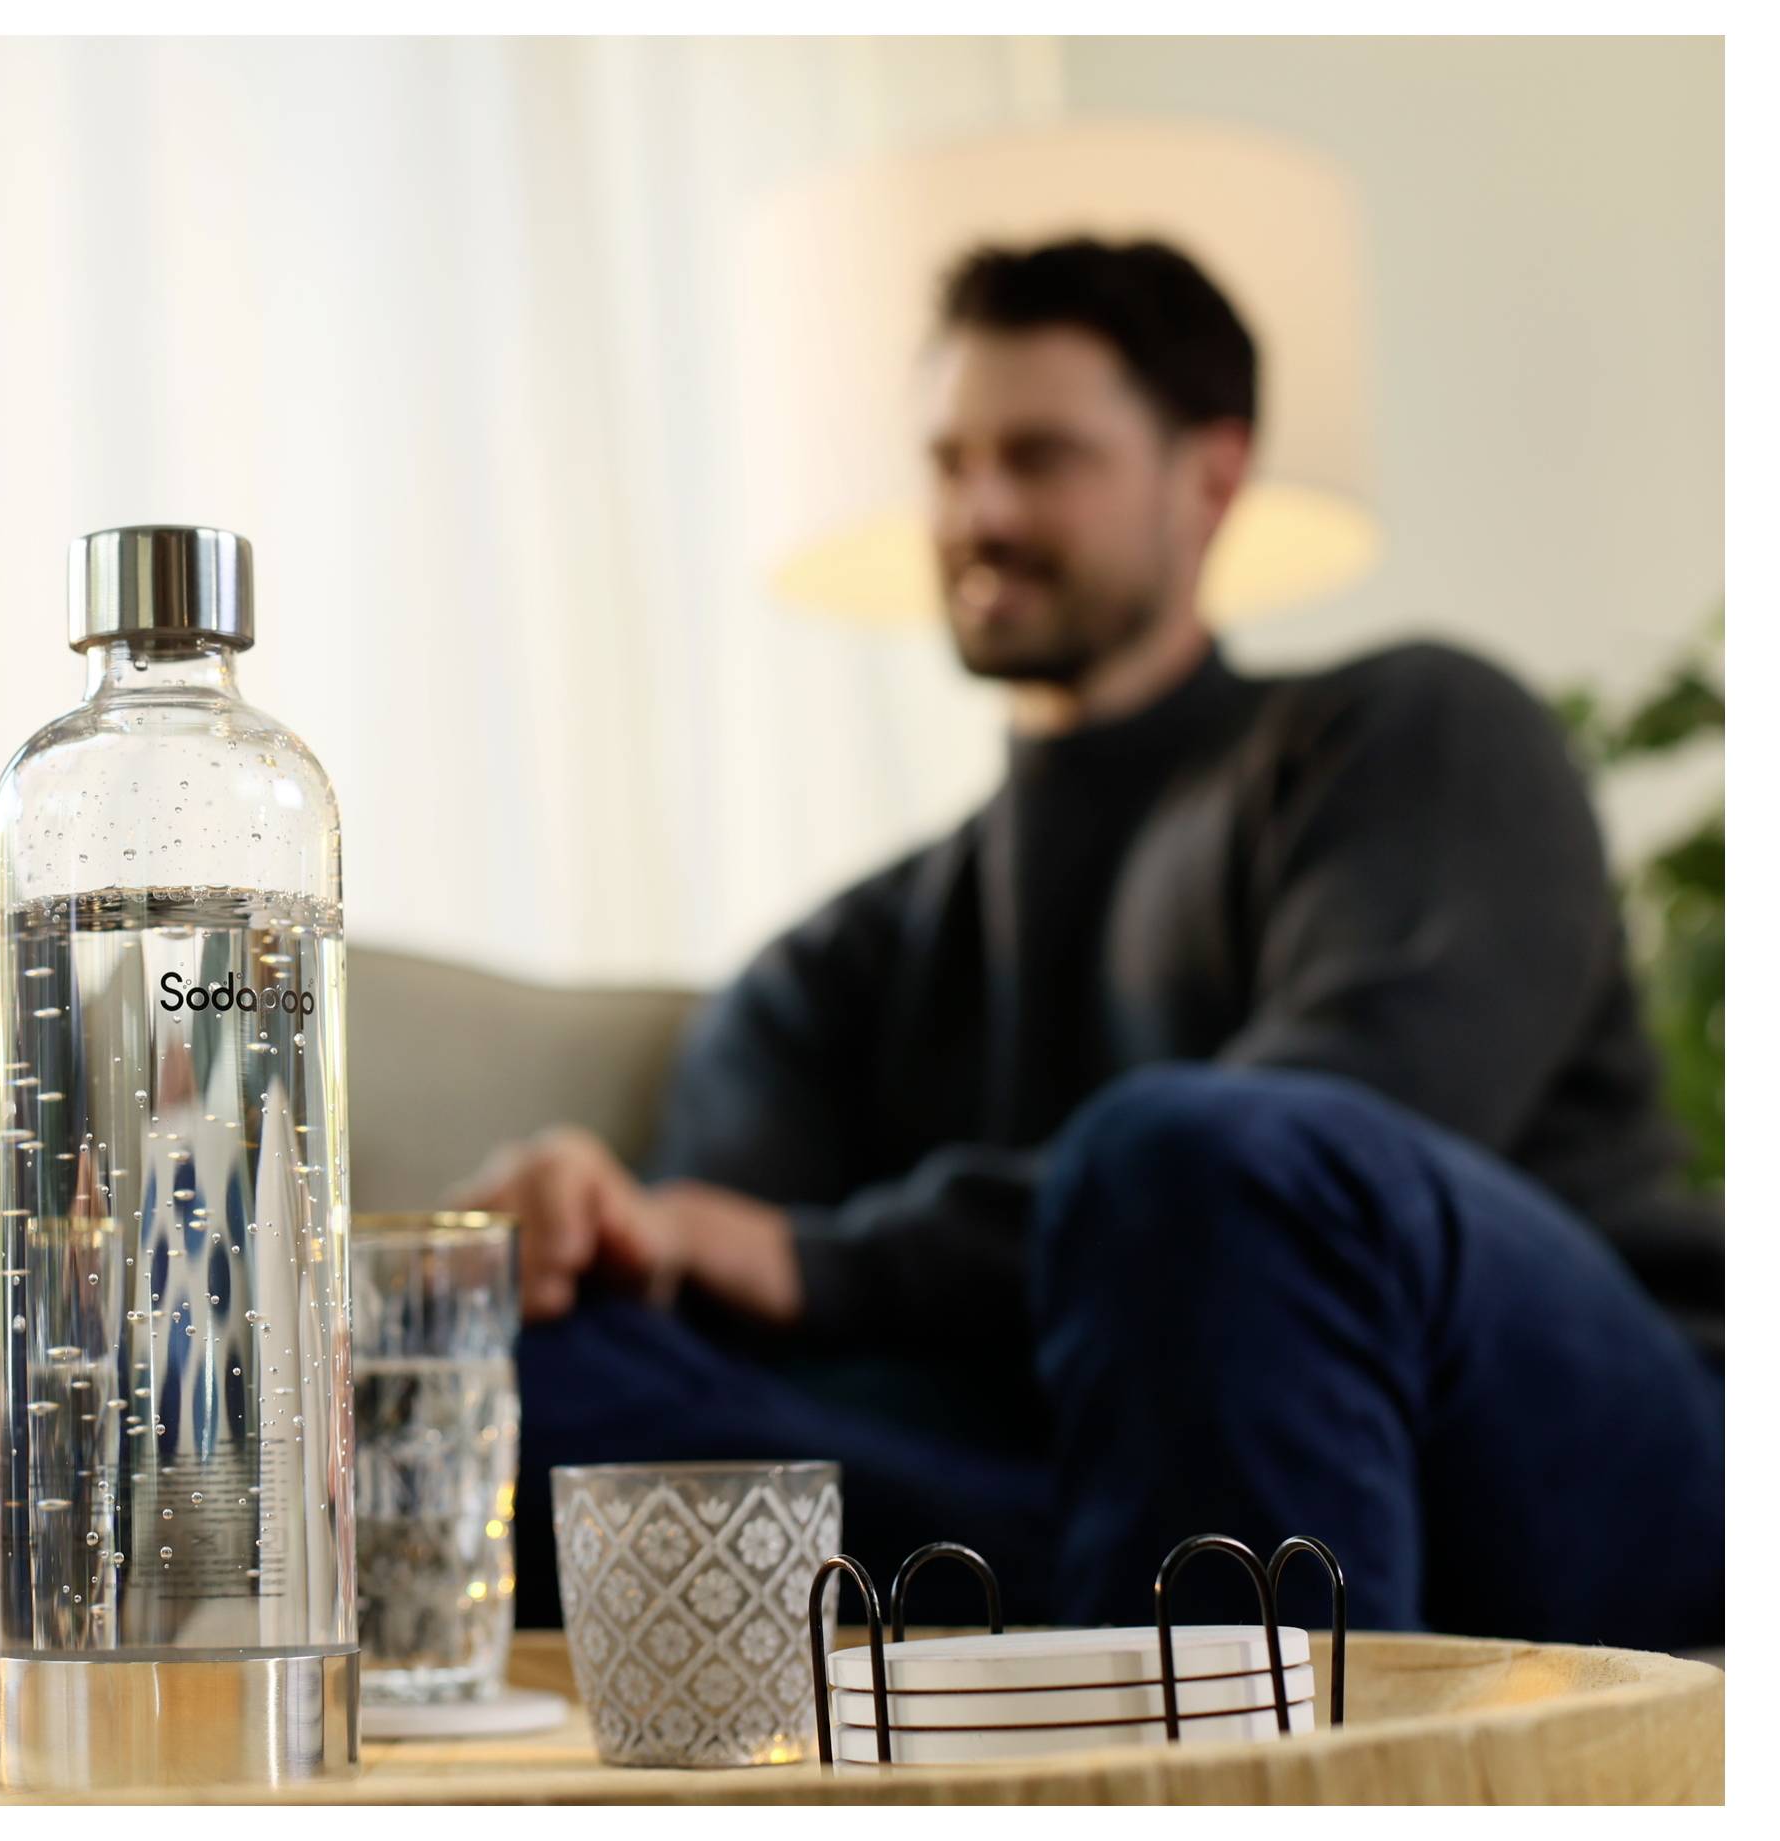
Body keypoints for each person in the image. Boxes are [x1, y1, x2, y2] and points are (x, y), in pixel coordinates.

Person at [457, 238, 1723, 1650]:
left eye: (1043, 456)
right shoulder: (838, 960)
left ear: (1212, 474)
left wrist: (829, 1265)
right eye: (948, 461)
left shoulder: (1408, 736)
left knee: (1196, 1156)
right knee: (513, 1364)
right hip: (1113, 1497)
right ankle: (1150, 1633)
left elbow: (1360, 1115)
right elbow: (704, 1268)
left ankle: (1183, 1668)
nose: (978, 509)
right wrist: (582, 1231)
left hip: (1561, 1463)